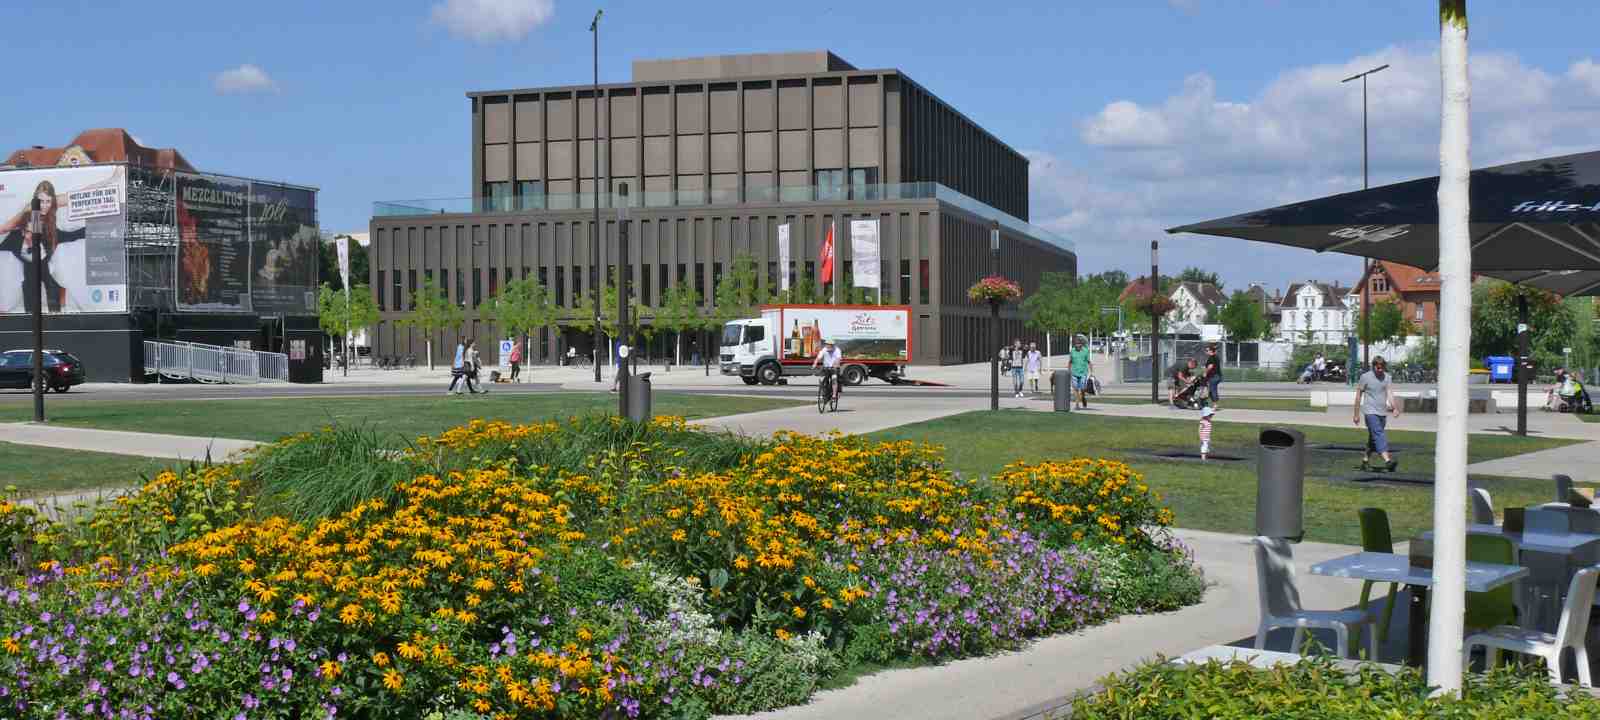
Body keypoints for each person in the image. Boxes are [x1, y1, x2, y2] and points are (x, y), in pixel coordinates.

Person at [1353, 355, 1400, 472]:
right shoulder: (1365, 377)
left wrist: (1394, 407)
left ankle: (1365, 461)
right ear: (1373, 367)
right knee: (1379, 434)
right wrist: (1356, 414)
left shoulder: (1387, 377)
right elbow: (1358, 396)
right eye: (1378, 368)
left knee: (1373, 438)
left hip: (1382, 413)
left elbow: (1389, 393)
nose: (1380, 370)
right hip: (1370, 412)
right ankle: (1388, 461)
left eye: (1382, 368)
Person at [812, 338, 843, 404]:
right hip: (826, 367)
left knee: (834, 379)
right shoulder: (824, 349)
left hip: (834, 368)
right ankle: (823, 393)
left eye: (829, 345)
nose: (828, 346)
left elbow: (838, 359)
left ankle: (834, 395)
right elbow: (818, 357)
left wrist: (835, 365)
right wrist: (815, 363)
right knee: (823, 379)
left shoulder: (837, 350)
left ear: (833, 345)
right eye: (827, 345)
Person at [1069, 335, 1092, 409]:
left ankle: (1083, 398)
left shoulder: (1085, 351)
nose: (1077, 345)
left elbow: (1089, 362)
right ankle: (1077, 404)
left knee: (1082, 389)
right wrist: (1069, 371)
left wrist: (1091, 372)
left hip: (1083, 373)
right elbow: (1070, 361)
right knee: (1075, 389)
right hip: (1074, 373)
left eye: (1078, 344)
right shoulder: (1072, 350)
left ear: (1081, 344)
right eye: (1076, 344)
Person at [1203, 344, 1223, 410]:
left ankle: (1215, 405)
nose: (1206, 351)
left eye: (1207, 350)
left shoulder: (1212, 357)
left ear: (1211, 351)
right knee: (1210, 390)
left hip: (1214, 376)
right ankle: (1206, 402)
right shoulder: (1215, 357)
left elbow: (1210, 367)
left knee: (1212, 390)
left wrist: (1205, 373)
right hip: (1216, 376)